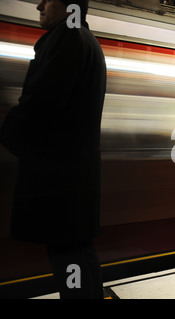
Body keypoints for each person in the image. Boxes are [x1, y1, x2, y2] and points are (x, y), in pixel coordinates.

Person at [0, 0, 106, 298]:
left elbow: (41, 100)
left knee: (68, 256)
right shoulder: (85, 39)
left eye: (47, 0)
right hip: (71, 174)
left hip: (59, 176)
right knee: (75, 251)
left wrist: (9, 134)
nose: (39, 6)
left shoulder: (68, 38)